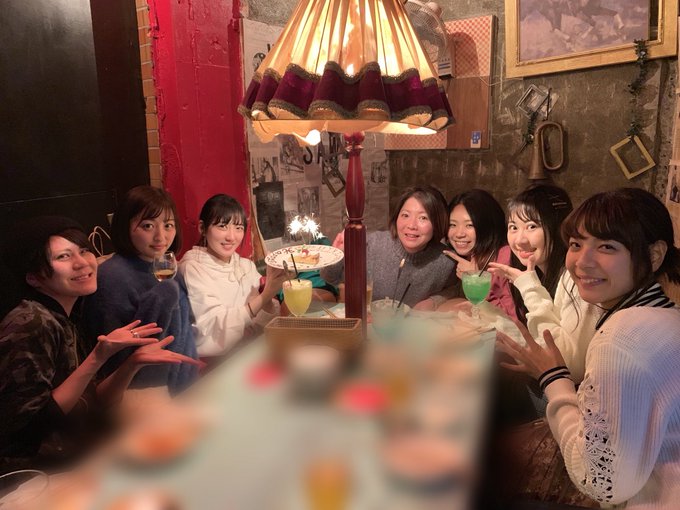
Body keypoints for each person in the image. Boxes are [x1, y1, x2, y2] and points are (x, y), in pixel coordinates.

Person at [496, 188, 680, 507]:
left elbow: (601, 483)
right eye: (576, 244)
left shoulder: (620, 338)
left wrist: (553, 377)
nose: (582, 261)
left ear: (654, 255)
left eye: (607, 246)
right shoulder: (666, 314)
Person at [0, 216, 199, 472]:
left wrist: (133, 362)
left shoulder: (68, 316)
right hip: (36, 476)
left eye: (83, 250)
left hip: (81, 457)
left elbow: (94, 400)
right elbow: (28, 428)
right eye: (63, 257)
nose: (82, 263)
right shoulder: (30, 322)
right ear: (34, 278)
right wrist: (97, 357)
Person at [83, 186, 198, 394]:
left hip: (185, 387)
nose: (161, 237)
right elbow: (114, 360)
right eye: (147, 226)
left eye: (168, 225)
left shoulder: (167, 266)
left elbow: (185, 331)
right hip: (144, 397)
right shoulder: (112, 277)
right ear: (125, 227)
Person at [489, 184, 601, 383]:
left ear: (559, 227)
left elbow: (567, 365)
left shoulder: (575, 279)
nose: (520, 240)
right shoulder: (541, 274)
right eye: (513, 227)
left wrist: (528, 287)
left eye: (532, 226)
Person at [179, 194, 286, 357]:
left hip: (250, 352)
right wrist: (266, 294)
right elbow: (213, 331)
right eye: (222, 226)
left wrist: (272, 289)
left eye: (238, 228)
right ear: (202, 228)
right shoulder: (192, 268)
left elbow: (263, 323)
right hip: (216, 362)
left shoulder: (245, 266)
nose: (231, 237)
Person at [321, 185, 457, 309]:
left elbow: (456, 289)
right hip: (372, 323)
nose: (411, 225)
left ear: (437, 222)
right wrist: (337, 253)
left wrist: (434, 301)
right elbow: (331, 278)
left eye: (423, 218)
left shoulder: (445, 260)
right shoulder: (373, 244)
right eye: (405, 215)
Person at [440, 189, 516, 318]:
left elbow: (513, 319)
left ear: (488, 225)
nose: (459, 234)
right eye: (452, 225)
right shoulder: (458, 256)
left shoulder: (505, 258)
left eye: (469, 225)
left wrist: (476, 281)